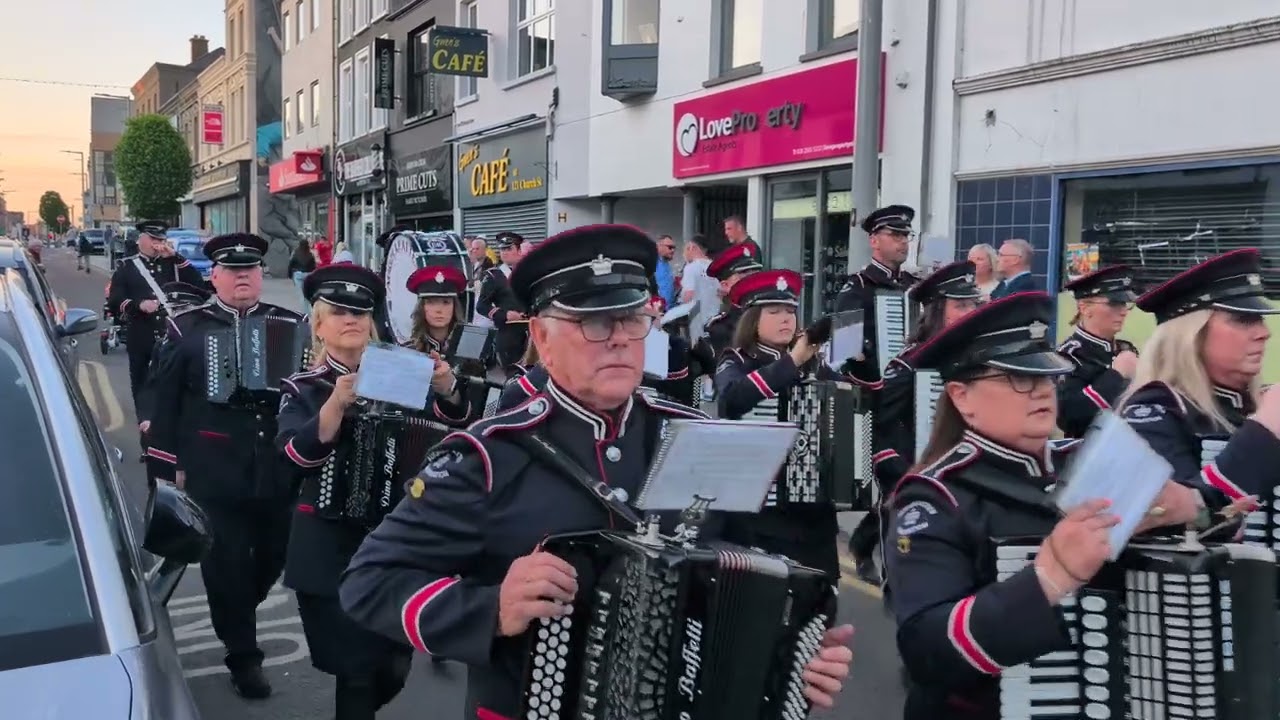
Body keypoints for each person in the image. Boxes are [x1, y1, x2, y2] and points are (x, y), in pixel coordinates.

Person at [339, 224, 854, 720]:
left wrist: (789, 655)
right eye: (594, 323)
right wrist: (491, 609)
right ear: (540, 336)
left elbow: (748, 571)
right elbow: (369, 581)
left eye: (632, 319)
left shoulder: (698, 439)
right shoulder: (490, 458)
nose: (620, 339)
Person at [884, 291, 1198, 718]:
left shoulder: (1088, 459)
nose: (1041, 391)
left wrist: (1189, 510)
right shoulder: (933, 496)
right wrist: (1049, 577)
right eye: (1018, 378)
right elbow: (927, 652)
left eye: (1047, 377)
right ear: (961, 396)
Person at [145, 233, 306, 699]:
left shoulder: (290, 323)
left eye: (249, 270)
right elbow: (164, 401)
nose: (242, 277)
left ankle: (236, 612)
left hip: (276, 467)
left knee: (275, 556)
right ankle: (243, 657)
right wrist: (165, 471)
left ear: (261, 275)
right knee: (227, 565)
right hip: (214, 469)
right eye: (232, 271)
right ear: (214, 276)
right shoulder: (187, 328)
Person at [275, 264, 419, 720]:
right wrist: (335, 403)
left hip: (392, 541)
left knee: (395, 666)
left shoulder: (399, 375)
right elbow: (293, 457)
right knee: (355, 670)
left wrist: (448, 386)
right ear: (319, 325)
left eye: (359, 312)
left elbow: (450, 425)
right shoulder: (303, 387)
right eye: (338, 312)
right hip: (327, 544)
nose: (351, 319)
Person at [847, 260, 982, 584]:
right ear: (937, 310)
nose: (970, 312)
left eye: (972, 304)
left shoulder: (978, 358)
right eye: (960, 305)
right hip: (913, 465)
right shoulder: (909, 364)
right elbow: (881, 424)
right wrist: (899, 469)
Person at [1119, 248, 1280, 516]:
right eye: (1243, 320)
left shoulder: (1258, 404)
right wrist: (1264, 434)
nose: (1264, 332)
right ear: (1192, 334)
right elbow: (1172, 519)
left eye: (1260, 319)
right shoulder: (1155, 410)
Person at [713, 269, 842, 576]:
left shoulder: (813, 363)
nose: (786, 319)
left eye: (790, 311)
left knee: (821, 592)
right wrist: (792, 361)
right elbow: (732, 399)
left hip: (814, 516)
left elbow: (850, 400)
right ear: (753, 319)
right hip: (762, 515)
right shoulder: (737, 360)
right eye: (774, 312)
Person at [107, 220, 205, 444]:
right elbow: (115, 300)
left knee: (176, 389)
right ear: (141, 240)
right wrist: (138, 305)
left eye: (161, 240)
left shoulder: (174, 265)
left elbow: (201, 289)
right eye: (153, 239)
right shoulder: (127, 267)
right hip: (142, 338)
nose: (158, 244)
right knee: (143, 391)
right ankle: (148, 443)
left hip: (173, 338)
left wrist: (177, 258)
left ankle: (172, 440)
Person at [834, 204, 920, 388]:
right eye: (896, 235)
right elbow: (843, 350)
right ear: (874, 241)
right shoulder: (858, 286)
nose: (904, 241)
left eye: (906, 235)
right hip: (873, 389)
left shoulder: (915, 285)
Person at [1056, 265, 1139, 438]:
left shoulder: (1126, 348)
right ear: (1085, 308)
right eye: (1114, 303)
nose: (1124, 312)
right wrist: (1116, 375)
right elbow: (1068, 417)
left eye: (1125, 304)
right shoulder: (1069, 355)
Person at [403, 264, 492, 424]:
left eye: (446, 302)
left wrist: (451, 390)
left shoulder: (472, 347)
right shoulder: (408, 351)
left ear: (454, 306)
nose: (439, 310)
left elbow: (478, 406)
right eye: (431, 302)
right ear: (422, 307)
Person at [138, 280, 212, 474]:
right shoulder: (163, 345)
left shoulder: (210, 345)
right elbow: (152, 386)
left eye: (182, 311)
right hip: (165, 431)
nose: (174, 317)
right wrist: (147, 417)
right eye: (171, 311)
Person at [476, 231, 529, 372]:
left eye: (509, 249)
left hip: (531, 335)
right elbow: (481, 306)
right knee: (513, 377)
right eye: (502, 249)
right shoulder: (494, 275)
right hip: (508, 335)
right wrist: (504, 315)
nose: (504, 253)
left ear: (519, 250)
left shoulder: (529, 273)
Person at [701, 241, 764, 358]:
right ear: (725, 285)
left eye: (756, 274)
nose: (753, 280)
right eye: (744, 275)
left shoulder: (772, 318)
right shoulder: (719, 329)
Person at [288, 239, 317, 308]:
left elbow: (291, 264)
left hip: (298, 274)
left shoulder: (296, 254)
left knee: (301, 295)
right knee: (307, 294)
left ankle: (304, 311)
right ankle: (309, 309)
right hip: (308, 275)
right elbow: (313, 266)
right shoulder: (310, 254)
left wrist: (290, 275)